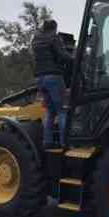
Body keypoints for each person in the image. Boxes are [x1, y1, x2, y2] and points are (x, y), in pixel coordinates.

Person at [32, 20, 74, 149]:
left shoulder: (36, 40)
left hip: (40, 78)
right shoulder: (54, 38)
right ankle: (65, 143)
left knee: (50, 111)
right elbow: (62, 55)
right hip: (53, 77)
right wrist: (74, 59)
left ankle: (48, 142)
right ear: (54, 28)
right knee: (62, 111)